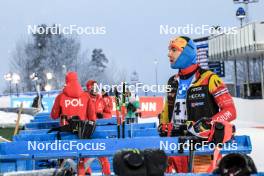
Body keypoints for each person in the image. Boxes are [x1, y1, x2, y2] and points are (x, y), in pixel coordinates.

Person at [159, 36, 237, 173]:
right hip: (176, 146)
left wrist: (209, 123)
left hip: (203, 147)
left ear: (187, 52)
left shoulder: (209, 79)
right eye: (169, 50)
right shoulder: (172, 81)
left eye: (174, 50)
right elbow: (167, 110)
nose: (169, 54)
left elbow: (230, 111)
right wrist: (162, 124)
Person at [50, 72, 96, 176]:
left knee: (65, 159)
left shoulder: (61, 97)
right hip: (82, 135)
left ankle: (67, 171)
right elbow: (93, 118)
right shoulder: (86, 96)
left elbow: (53, 115)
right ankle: (85, 172)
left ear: (66, 81)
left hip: (65, 137)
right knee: (84, 157)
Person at [85, 80, 111, 176]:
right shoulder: (84, 98)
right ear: (89, 89)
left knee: (103, 155)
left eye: (97, 88)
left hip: (99, 131)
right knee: (85, 155)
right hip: (87, 131)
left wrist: (102, 115)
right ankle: (87, 173)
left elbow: (109, 114)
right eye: (93, 88)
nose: (96, 90)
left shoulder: (101, 99)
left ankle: (107, 173)